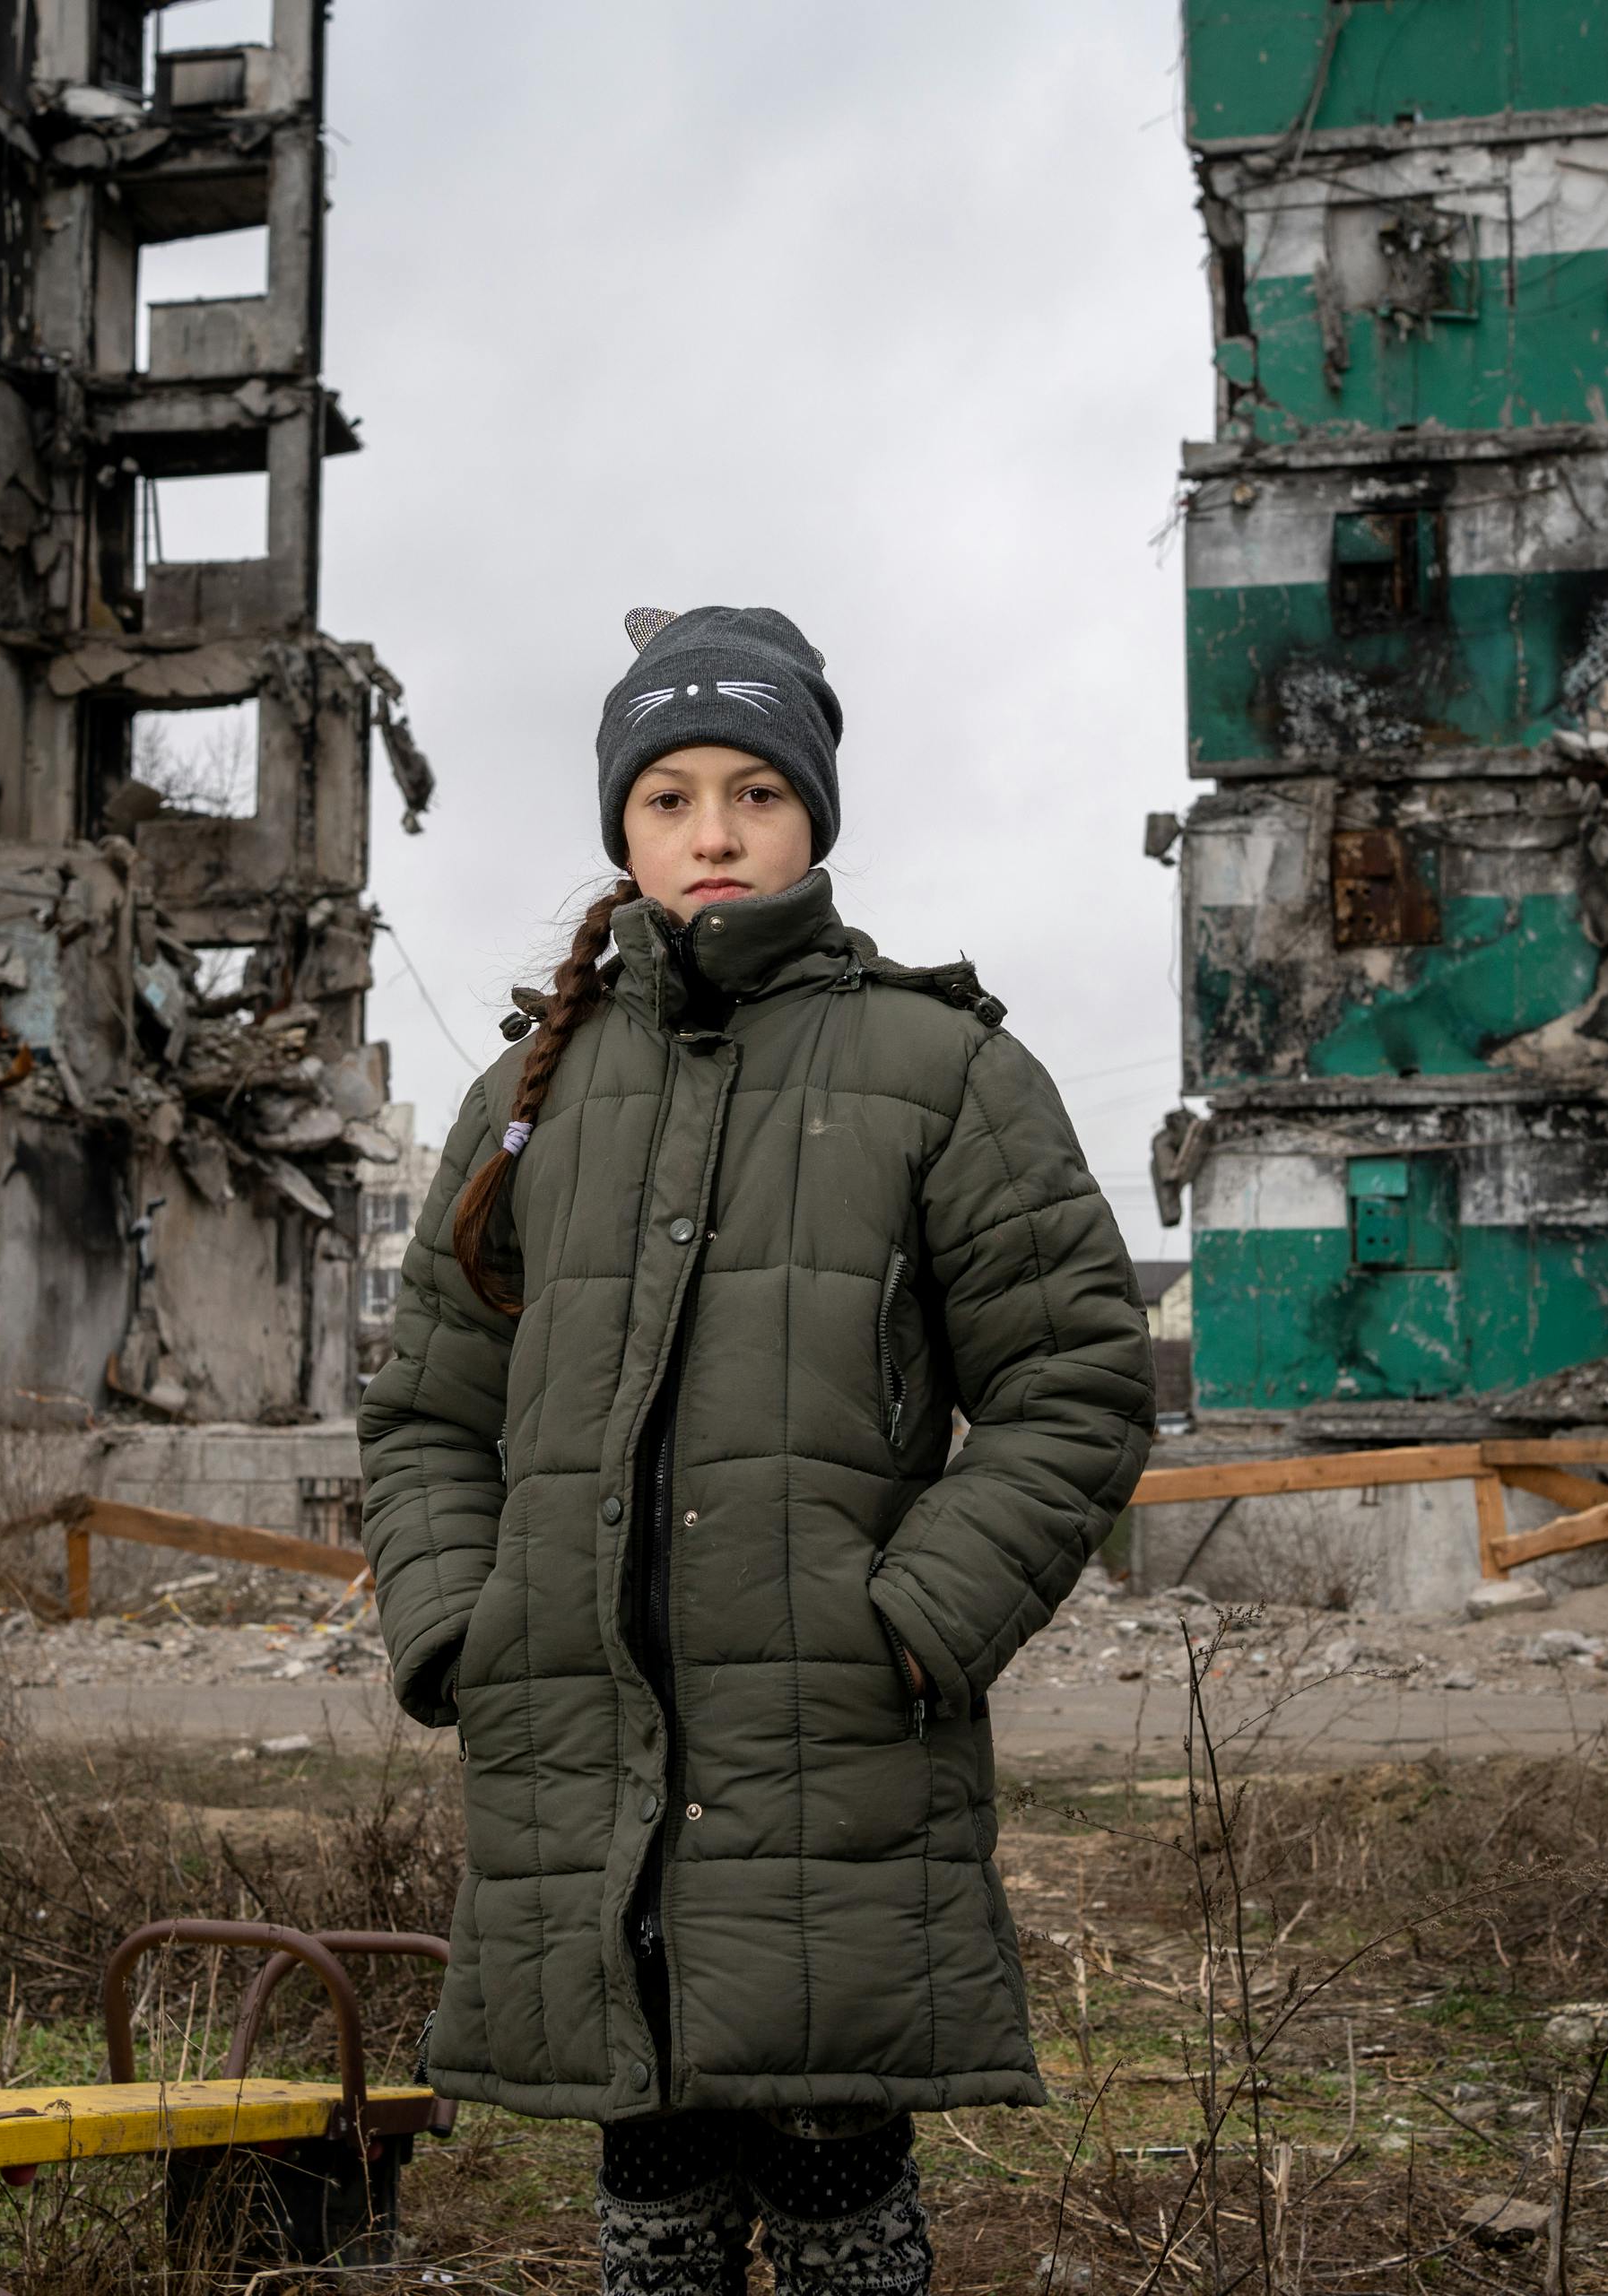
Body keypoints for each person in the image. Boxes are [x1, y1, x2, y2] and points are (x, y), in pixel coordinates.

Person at [360, 604, 1155, 2294]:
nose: (712, 832)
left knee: (836, 2171)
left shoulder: (941, 1072)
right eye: (665, 797)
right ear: (621, 829)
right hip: (579, 1727)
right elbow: (429, 1409)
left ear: (812, 817)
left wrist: (917, 1620)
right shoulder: (534, 1093)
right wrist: (460, 1627)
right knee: (647, 2171)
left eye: (751, 792)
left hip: (833, 1734)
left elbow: (1076, 1382)